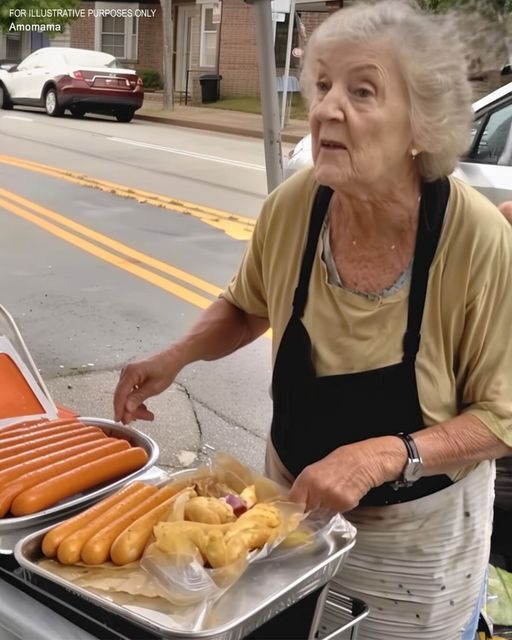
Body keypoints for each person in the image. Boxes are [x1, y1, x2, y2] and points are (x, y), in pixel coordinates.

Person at [113, 1, 512, 638]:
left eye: (362, 91)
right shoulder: (293, 206)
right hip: (287, 527)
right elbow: (247, 306)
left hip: (414, 558)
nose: (328, 108)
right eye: (323, 85)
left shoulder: (478, 240)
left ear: (421, 126)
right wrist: (175, 356)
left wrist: (385, 455)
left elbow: (501, 419)